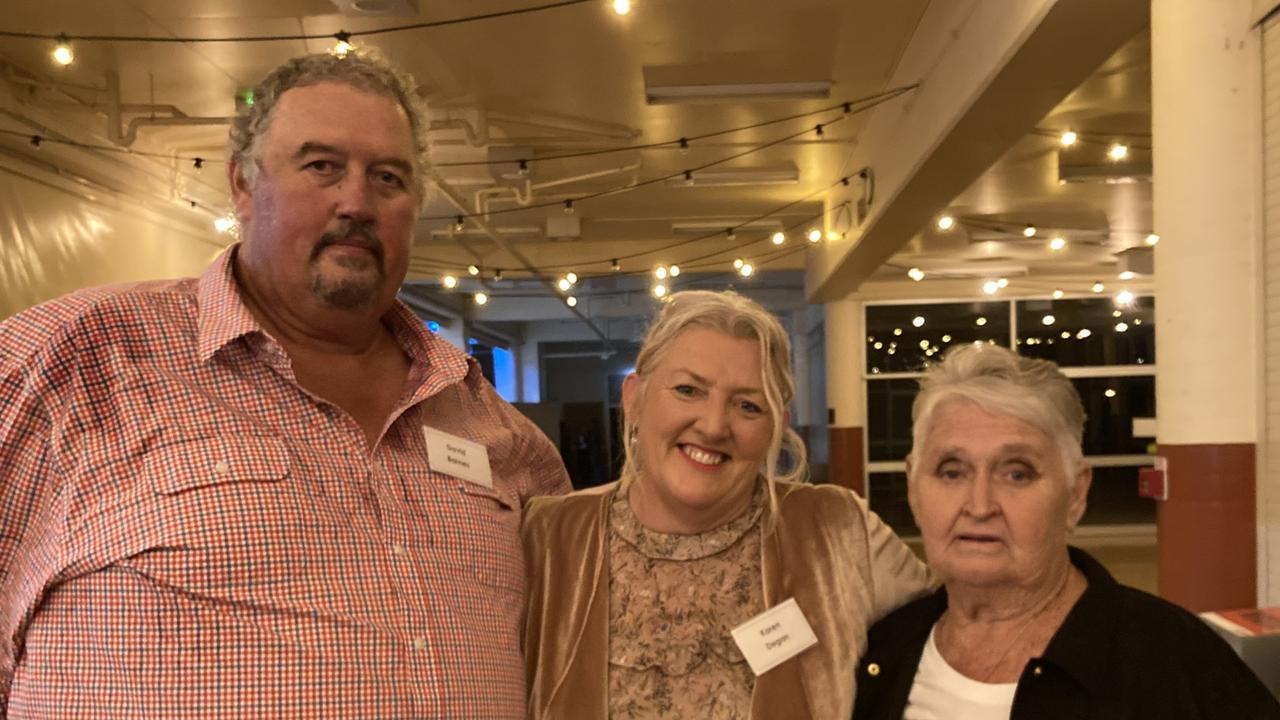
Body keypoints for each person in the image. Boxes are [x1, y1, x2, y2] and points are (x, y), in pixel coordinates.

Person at [0, 51, 570, 718]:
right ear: (244, 184)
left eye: (388, 177)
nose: (356, 202)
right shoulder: (75, 362)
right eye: (321, 166)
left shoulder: (502, 439)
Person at [522, 290, 932, 720]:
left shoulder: (838, 531)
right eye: (688, 390)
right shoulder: (548, 538)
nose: (714, 425)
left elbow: (959, 634)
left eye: (748, 406)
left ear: (776, 426)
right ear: (634, 398)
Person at [852, 343, 1280, 720]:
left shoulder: (1172, 661)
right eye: (951, 471)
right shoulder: (884, 652)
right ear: (913, 487)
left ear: (1075, 494)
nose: (979, 506)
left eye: (1017, 473)